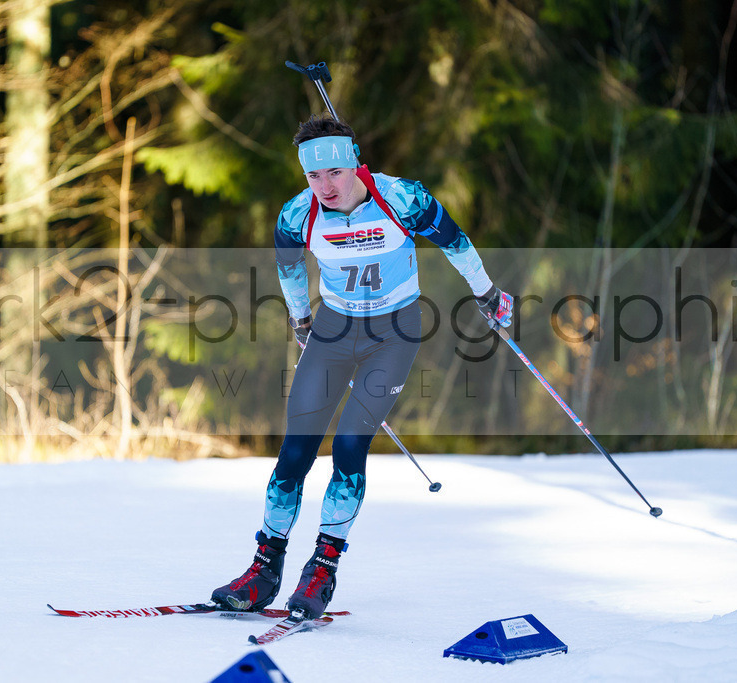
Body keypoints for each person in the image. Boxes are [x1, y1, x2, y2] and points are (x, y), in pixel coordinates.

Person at [210, 115, 514, 619]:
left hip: (393, 335)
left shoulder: (401, 199)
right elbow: (289, 268)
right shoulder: (296, 215)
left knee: (350, 442)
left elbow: (455, 242)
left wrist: (486, 292)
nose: (325, 187)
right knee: (295, 450)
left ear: (354, 163)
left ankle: (322, 570)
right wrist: (301, 318)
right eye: (313, 176)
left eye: (334, 173)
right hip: (333, 330)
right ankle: (264, 570)